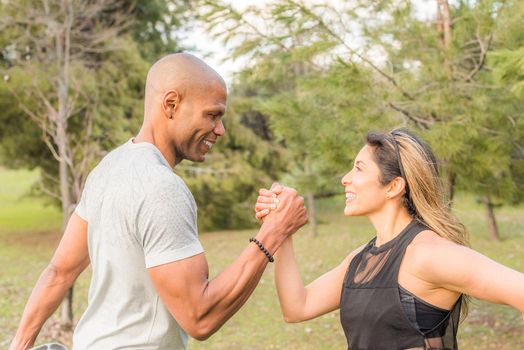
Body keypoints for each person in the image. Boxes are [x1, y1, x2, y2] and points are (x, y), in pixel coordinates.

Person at [9, 53, 308, 350]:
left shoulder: (108, 167)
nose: (220, 129)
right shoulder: (162, 188)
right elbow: (200, 317)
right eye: (212, 115)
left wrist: (19, 345)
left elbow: (59, 271)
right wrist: (274, 231)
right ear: (171, 104)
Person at [255, 128, 524, 350]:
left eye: (358, 169)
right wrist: (281, 231)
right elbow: (297, 307)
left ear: (394, 186)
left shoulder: (428, 253)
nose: (345, 179)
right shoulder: (362, 259)